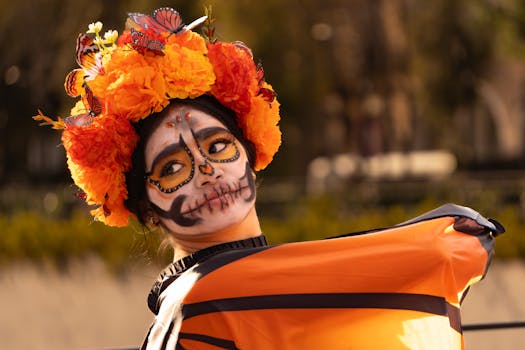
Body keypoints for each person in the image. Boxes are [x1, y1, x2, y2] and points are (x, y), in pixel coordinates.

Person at [35, 6, 505, 349]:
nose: (207, 171)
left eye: (219, 147)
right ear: (146, 207)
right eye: (172, 168)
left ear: (249, 151)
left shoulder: (258, 289)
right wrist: (442, 243)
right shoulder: (205, 297)